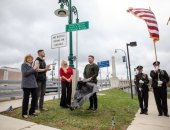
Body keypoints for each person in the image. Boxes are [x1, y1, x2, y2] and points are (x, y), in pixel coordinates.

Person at [21, 54, 38, 118]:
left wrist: (36, 70)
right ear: (26, 59)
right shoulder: (23, 65)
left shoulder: (32, 66)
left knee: (35, 98)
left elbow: (35, 76)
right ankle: (24, 113)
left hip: (34, 85)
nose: (30, 59)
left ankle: (32, 112)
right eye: (28, 58)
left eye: (31, 58)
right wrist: (34, 69)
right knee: (26, 99)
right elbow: (25, 74)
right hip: (26, 85)